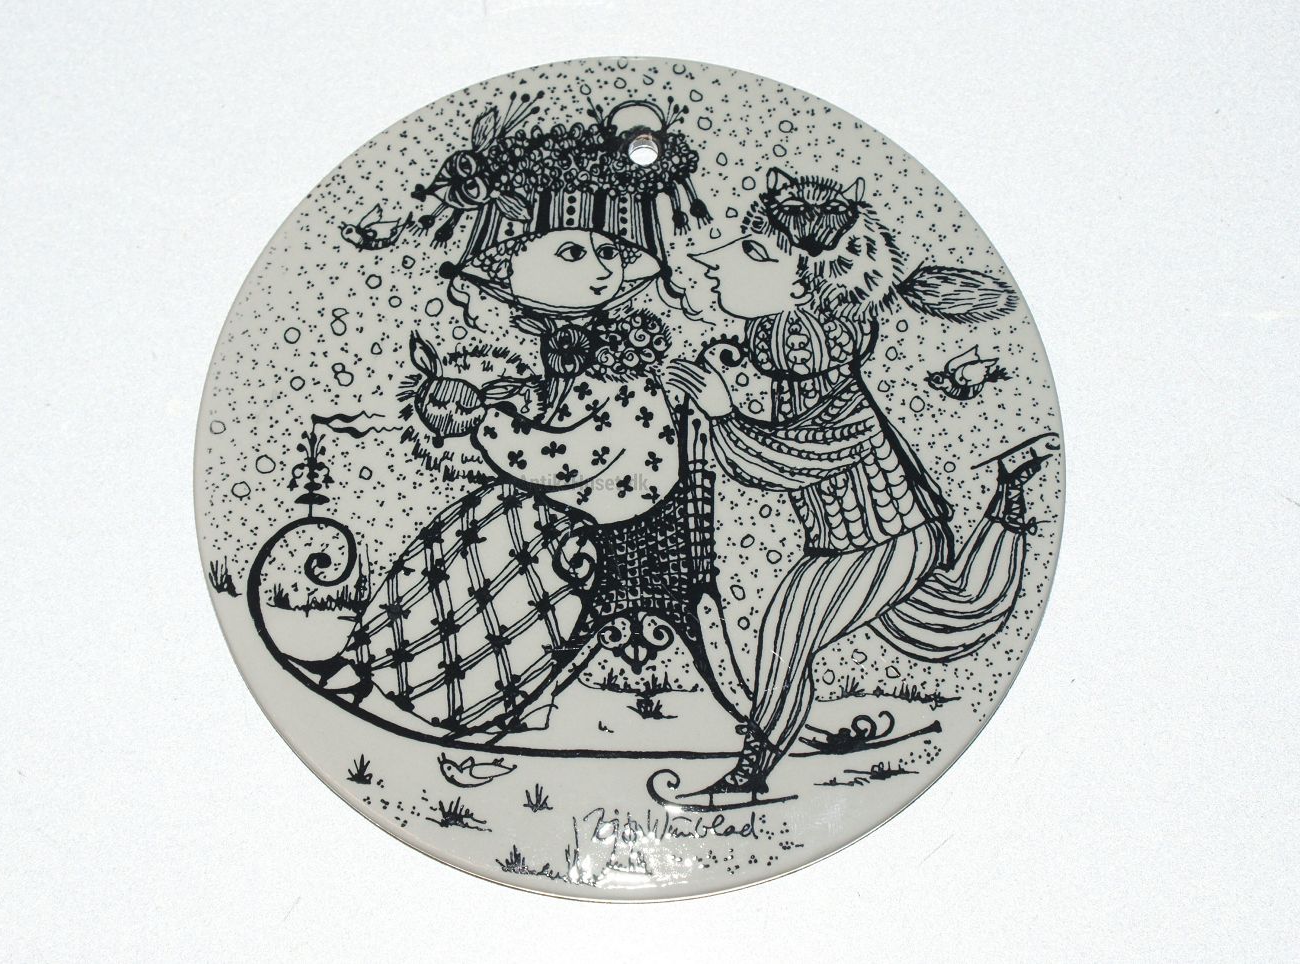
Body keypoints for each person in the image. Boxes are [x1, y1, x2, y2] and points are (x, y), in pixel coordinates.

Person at [320, 99, 744, 739]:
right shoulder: (572, 351)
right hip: (586, 499)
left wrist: (485, 424)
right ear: (511, 263)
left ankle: (443, 700)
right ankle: (371, 665)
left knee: (495, 535)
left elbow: (569, 456)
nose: (600, 270)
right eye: (572, 252)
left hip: (620, 511)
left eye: (609, 252)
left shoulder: (619, 359)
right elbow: (558, 418)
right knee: (469, 526)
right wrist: (503, 402)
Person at [666, 167, 1053, 798]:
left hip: (883, 538)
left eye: (755, 253)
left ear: (804, 286)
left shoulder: (830, 380)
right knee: (949, 615)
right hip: (856, 538)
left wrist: (722, 412)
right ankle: (1009, 494)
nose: (721, 261)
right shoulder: (801, 365)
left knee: (789, 627)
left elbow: (789, 460)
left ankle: (751, 773)